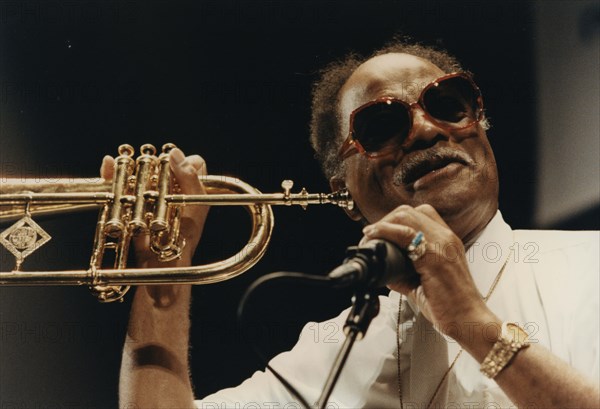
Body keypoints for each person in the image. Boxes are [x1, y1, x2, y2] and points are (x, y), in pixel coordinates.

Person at [114, 39, 600, 408]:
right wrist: (163, 269)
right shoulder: (335, 348)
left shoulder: (588, 265)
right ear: (342, 192)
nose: (428, 129)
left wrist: (472, 322)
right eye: (382, 126)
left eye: (448, 104)